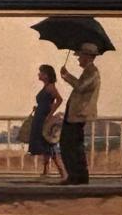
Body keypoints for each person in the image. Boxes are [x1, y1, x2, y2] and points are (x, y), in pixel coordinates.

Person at [58, 42, 102, 186]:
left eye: (80, 56)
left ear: (87, 57)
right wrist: (67, 75)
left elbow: (81, 87)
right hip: (74, 114)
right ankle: (76, 176)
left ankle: (78, 177)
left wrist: (67, 76)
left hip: (78, 115)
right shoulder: (88, 71)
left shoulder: (92, 72)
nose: (78, 59)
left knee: (71, 145)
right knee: (70, 144)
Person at [27, 64, 66, 180]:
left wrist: (49, 114)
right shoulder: (46, 87)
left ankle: (62, 172)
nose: (39, 74)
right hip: (40, 116)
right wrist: (39, 108)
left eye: (41, 72)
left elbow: (59, 100)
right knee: (45, 145)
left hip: (44, 118)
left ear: (46, 75)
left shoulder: (50, 87)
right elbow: (47, 102)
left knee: (49, 145)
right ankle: (46, 171)